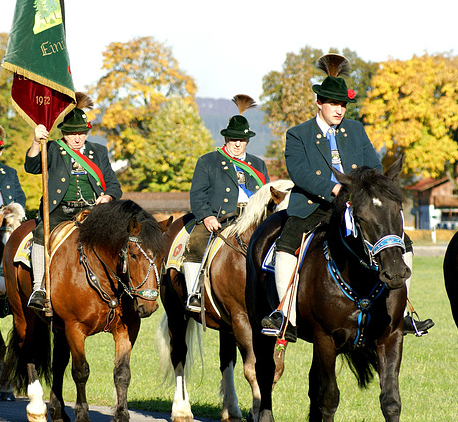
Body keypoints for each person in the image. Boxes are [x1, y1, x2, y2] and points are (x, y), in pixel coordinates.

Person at [261, 53, 434, 342]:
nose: (339, 110)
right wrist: (335, 189)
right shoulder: (298, 134)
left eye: (343, 105)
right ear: (319, 103)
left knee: (403, 243)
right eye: (333, 104)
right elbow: (300, 173)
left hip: (357, 205)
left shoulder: (355, 129)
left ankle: (402, 313)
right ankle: (285, 316)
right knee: (286, 243)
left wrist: (371, 192)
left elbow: (375, 168)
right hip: (314, 206)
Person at [24, 92, 122, 314]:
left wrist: (107, 197)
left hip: (93, 211)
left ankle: (121, 286)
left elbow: (114, 185)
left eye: (81, 133)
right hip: (61, 210)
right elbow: (31, 167)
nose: (77, 138)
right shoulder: (52, 148)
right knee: (40, 234)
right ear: (64, 135)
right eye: (72, 134)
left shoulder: (99, 151)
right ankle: (38, 287)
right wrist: (35, 141)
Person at [185, 94, 269, 311]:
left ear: (248, 140)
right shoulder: (208, 161)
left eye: (241, 140)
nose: (238, 144)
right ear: (225, 139)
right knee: (195, 243)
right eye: (233, 139)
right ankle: (194, 293)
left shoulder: (258, 163)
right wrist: (206, 216)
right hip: (221, 218)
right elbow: (197, 194)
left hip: (253, 219)